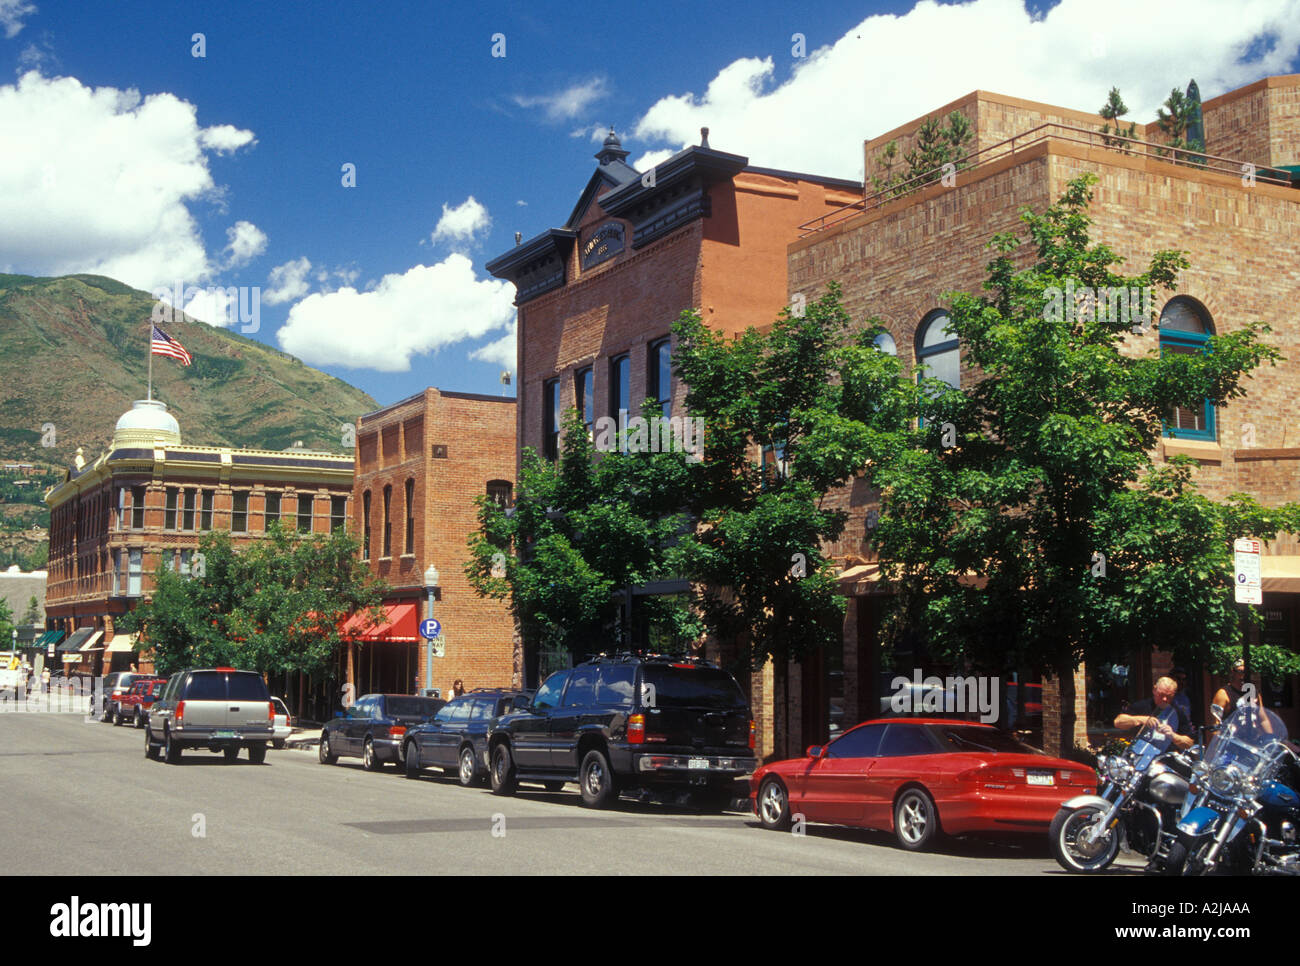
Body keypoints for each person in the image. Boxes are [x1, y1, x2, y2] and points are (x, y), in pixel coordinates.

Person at [1114, 676, 1195, 750]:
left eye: (1169, 696)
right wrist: (1142, 719)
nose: (1164, 699)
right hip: (1142, 754)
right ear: (1154, 690)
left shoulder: (1177, 712)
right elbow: (1118, 722)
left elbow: (1189, 743)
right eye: (1161, 695)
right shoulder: (1142, 706)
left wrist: (1173, 736)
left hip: (1167, 758)